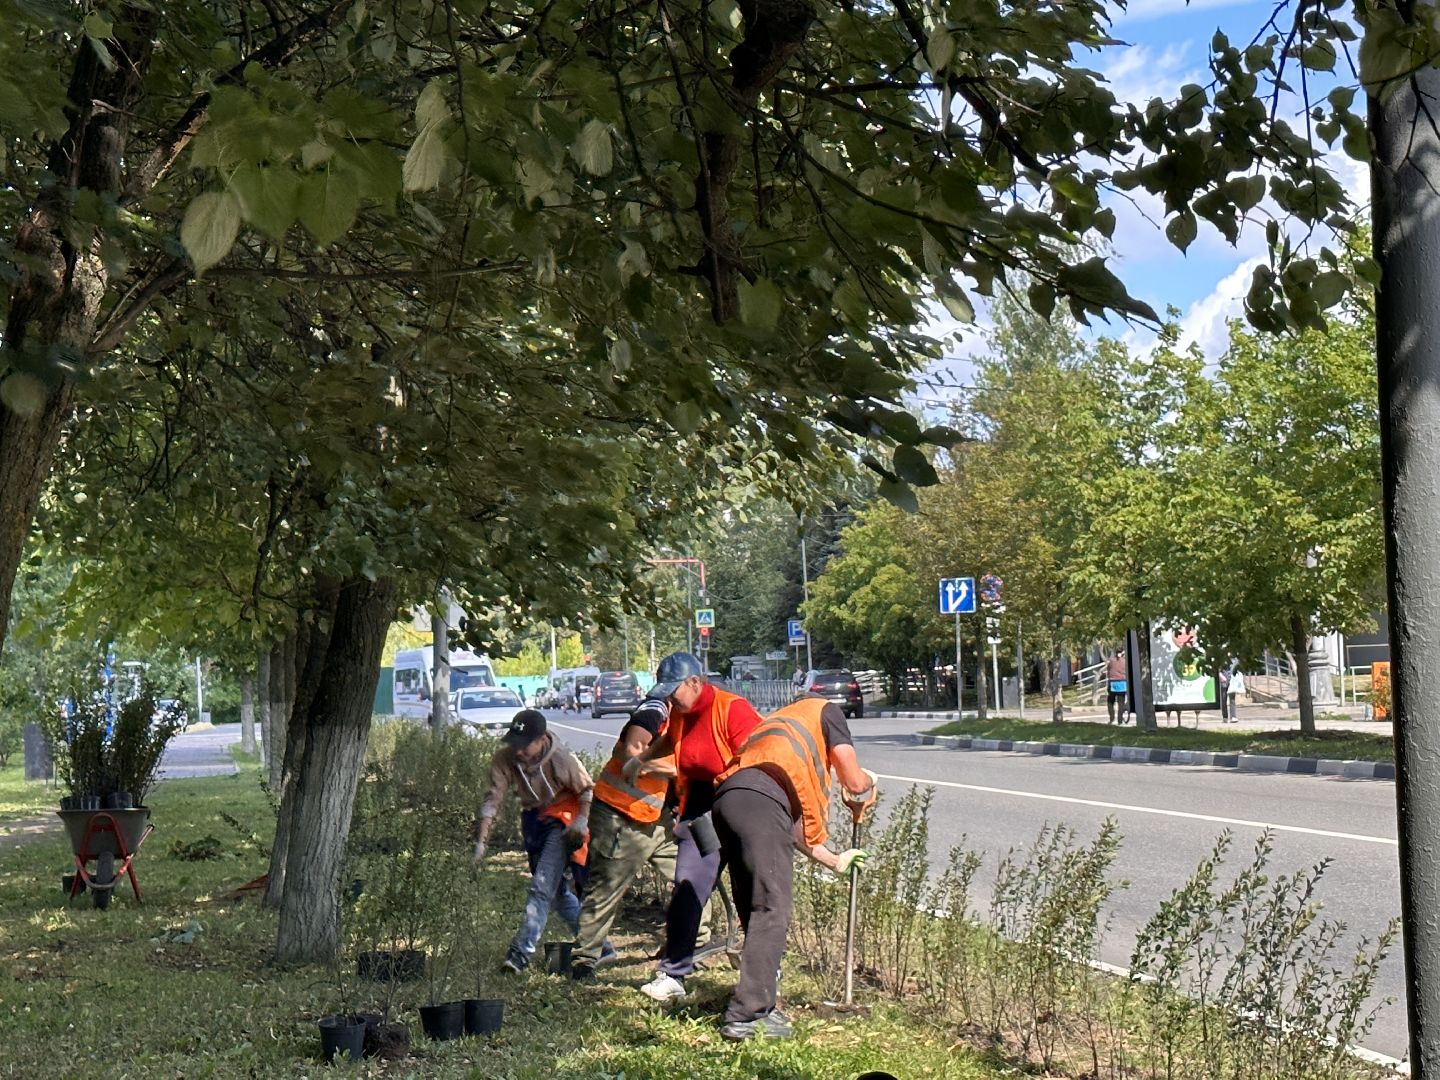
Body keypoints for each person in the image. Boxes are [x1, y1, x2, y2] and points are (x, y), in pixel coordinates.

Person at [711, 695, 877, 1041]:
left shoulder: (779, 731)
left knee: (755, 906)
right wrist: (866, 784)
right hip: (760, 802)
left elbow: (793, 830)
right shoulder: (826, 711)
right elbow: (854, 778)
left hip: (730, 799)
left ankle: (762, 1004)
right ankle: (746, 1016)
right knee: (772, 908)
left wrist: (834, 860)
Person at [623, 652, 764, 1003]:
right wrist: (641, 761)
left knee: (748, 889)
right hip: (700, 810)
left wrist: (726, 786)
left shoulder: (733, 709)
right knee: (688, 886)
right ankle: (672, 974)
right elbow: (670, 743)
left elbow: (757, 757)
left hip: (740, 804)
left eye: (675, 691)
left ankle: (761, 974)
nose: (670, 699)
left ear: (696, 683)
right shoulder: (682, 714)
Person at [473, 709, 598, 973]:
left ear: (542, 739)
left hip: (565, 821)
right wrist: (481, 842)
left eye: (525, 744)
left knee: (541, 887)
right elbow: (492, 798)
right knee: (557, 895)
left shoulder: (562, 759)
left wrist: (581, 821)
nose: (518, 751)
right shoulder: (505, 758)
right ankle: (599, 945)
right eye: (514, 743)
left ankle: (519, 954)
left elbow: (587, 789)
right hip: (535, 820)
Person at [569, 697, 678, 982]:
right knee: (607, 885)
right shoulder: (655, 710)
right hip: (619, 815)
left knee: (692, 877)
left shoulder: (683, 720)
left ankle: (691, 945)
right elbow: (635, 747)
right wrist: (677, 767)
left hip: (656, 818)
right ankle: (584, 961)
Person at [1106, 649, 1128, 724]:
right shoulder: (1125, 661)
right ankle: (1120, 720)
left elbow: (1108, 670)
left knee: (1110, 701)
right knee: (1121, 703)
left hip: (1113, 683)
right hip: (1122, 683)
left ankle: (1112, 718)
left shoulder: (1111, 661)